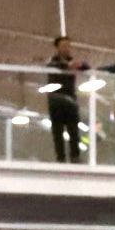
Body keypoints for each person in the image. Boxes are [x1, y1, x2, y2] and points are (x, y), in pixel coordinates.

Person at [45, 35, 88, 164]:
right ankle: (61, 158)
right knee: (57, 131)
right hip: (56, 100)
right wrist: (69, 65)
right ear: (57, 47)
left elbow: (86, 67)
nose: (66, 48)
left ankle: (75, 156)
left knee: (73, 130)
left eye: (68, 46)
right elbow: (55, 66)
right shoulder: (53, 62)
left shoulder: (73, 61)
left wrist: (77, 64)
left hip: (70, 100)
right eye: (63, 46)